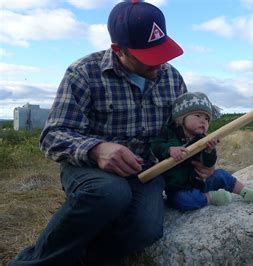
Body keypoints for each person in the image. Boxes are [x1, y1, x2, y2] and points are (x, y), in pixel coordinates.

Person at [8, 1, 216, 265]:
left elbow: (180, 132)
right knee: (111, 193)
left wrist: (199, 158)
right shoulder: (84, 73)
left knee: (146, 229)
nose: (158, 67)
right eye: (147, 59)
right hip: (90, 169)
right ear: (118, 50)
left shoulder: (173, 78)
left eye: (161, 54)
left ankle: (86, 259)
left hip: (148, 170)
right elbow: (52, 135)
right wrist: (97, 149)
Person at [151, 92, 253, 211]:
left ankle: (244, 191)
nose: (203, 121)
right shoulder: (169, 134)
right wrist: (169, 150)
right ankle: (210, 198)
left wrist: (209, 151)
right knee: (185, 201)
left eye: (206, 118)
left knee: (221, 174)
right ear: (181, 118)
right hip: (179, 188)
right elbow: (155, 146)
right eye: (198, 116)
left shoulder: (204, 139)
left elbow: (209, 164)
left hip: (201, 182)